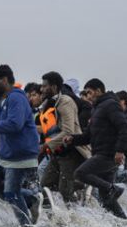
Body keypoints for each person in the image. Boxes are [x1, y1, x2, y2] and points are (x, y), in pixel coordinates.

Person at [0, 65, 39, 225]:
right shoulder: (4, 100)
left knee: (11, 193)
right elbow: (3, 125)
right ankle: (31, 198)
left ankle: (26, 226)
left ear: (4, 80)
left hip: (20, 154)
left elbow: (15, 125)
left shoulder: (16, 98)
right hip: (6, 154)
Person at [66, 78, 127, 219]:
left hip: (108, 155)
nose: (88, 96)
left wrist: (120, 151)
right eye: (86, 93)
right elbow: (88, 136)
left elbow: (125, 128)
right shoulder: (96, 109)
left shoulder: (110, 105)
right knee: (106, 200)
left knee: (80, 173)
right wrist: (73, 139)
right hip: (101, 153)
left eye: (90, 92)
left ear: (99, 91)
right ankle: (123, 222)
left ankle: (113, 188)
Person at [39, 72, 90, 204]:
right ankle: (52, 213)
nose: (41, 89)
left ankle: (78, 212)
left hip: (70, 152)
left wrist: (47, 145)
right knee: (45, 185)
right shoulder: (47, 103)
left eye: (44, 86)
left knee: (65, 190)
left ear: (54, 87)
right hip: (57, 152)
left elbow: (68, 131)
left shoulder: (65, 102)